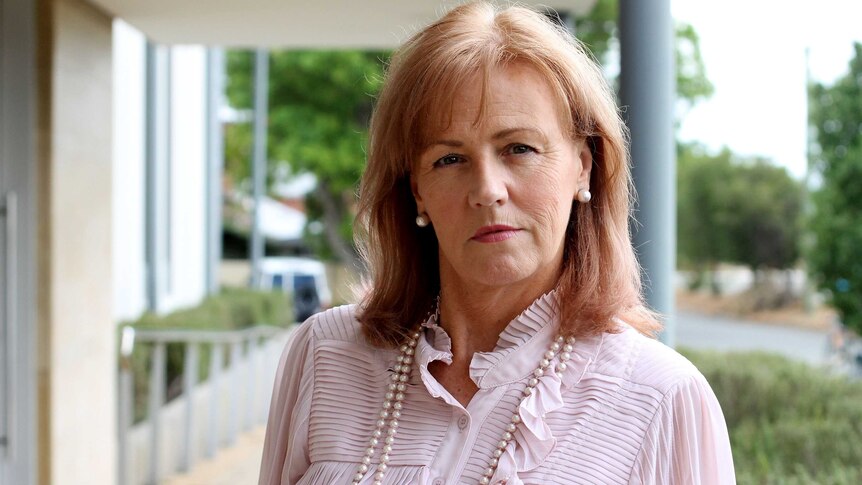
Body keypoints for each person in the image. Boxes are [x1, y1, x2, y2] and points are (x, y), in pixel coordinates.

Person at [259, 2, 735, 484]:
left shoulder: (661, 399)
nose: (487, 189)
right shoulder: (323, 355)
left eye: (519, 149)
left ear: (583, 166)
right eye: (449, 159)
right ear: (416, 189)